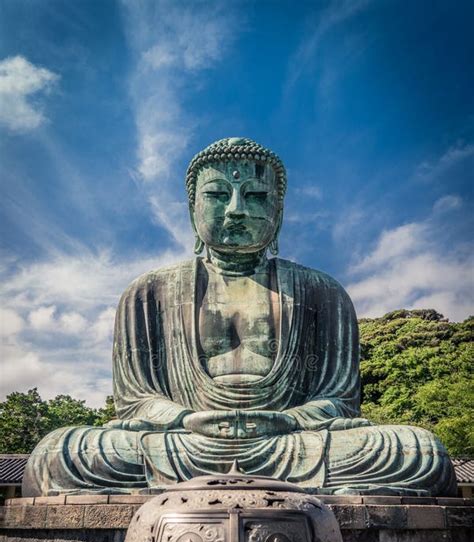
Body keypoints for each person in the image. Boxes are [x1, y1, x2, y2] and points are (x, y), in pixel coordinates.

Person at [22, 137, 456, 497]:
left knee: (418, 452)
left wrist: (287, 419)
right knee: (58, 455)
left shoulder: (321, 292)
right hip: (184, 442)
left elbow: (339, 400)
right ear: (192, 208)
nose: (236, 209)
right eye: (216, 195)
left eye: (255, 195)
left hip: (290, 442)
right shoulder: (148, 293)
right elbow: (135, 400)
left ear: (279, 210)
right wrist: (183, 419)